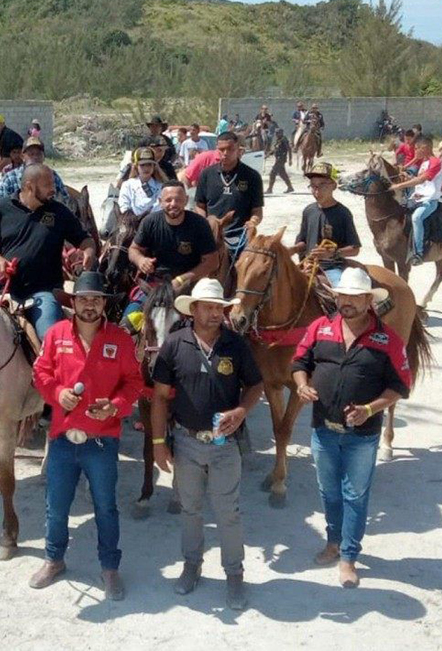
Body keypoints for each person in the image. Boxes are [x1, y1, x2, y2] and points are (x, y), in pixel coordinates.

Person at [292, 267, 411, 588]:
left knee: (355, 495)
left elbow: (400, 386)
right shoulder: (320, 328)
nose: (347, 302)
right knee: (328, 491)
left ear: (368, 301)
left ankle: (348, 557)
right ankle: (333, 541)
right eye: (342, 296)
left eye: (355, 297)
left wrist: (370, 408)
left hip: (363, 436)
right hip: (322, 429)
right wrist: (302, 384)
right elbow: (300, 361)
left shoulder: (388, 340)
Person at [151, 278, 264, 611]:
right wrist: (159, 442)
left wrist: (242, 410)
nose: (216, 313)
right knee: (190, 509)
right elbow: (158, 398)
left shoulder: (236, 345)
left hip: (225, 445)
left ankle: (234, 575)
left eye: (220, 307)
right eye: (210, 307)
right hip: (185, 442)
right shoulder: (173, 344)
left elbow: (256, 385)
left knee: (228, 513)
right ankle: (191, 566)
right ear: (194, 309)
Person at [30, 272, 144, 601]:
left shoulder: (120, 340)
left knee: (106, 507)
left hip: (101, 442)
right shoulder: (55, 335)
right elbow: (41, 373)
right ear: (73, 302)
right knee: (56, 506)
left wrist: (116, 406)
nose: (90, 305)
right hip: (64, 439)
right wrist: (57, 392)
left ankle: (109, 569)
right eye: (83, 299)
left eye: (96, 299)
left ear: (104, 303)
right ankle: (54, 560)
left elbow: (134, 383)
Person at [0, 164, 95, 341]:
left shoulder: (59, 212)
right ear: (30, 186)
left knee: (49, 337)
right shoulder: (1, 208)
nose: (53, 189)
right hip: (5, 289)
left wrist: (88, 251)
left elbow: (85, 239)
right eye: (48, 185)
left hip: (44, 291)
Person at [125, 182, 218, 321]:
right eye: (168, 200)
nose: (173, 204)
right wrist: (141, 260)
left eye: (178, 200)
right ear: (160, 201)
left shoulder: (199, 224)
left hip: (190, 286)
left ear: (186, 200)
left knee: (210, 323)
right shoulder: (150, 222)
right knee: (128, 321)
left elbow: (212, 261)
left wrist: (182, 279)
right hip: (155, 285)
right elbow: (133, 249)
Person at [194, 131, 263, 257]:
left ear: (238, 150)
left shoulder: (252, 176)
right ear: (217, 150)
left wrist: (253, 221)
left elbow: (257, 210)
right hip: (212, 233)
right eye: (222, 149)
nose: (225, 153)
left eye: (230, 149)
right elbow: (200, 205)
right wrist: (205, 223)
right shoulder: (206, 174)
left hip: (239, 236)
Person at [292, 163, 361, 286]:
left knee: (339, 294)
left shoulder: (343, 213)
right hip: (308, 266)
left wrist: (333, 253)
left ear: (333, 186)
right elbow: (303, 242)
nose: (316, 191)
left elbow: (355, 249)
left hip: (332, 268)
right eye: (313, 186)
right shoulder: (309, 211)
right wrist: (292, 250)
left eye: (322, 185)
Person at [388, 135, 442, 264]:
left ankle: (418, 252)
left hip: (430, 200)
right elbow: (419, 183)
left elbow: (421, 179)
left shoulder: (435, 162)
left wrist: (398, 186)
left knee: (416, 218)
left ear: (425, 148)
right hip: (417, 198)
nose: (415, 151)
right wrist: (406, 175)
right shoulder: (424, 163)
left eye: (417, 148)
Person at [0, 137, 71, 206]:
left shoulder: (52, 176)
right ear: (23, 156)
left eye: (38, 154)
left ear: (43, 157)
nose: (35, 157)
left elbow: (65, 201)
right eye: (31, 154)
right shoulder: (9, 179)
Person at [117, 147, 165, 216]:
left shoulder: (161, 186)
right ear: (136, 166)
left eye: (149, 164)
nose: (146, 168)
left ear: (154, 166)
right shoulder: (127, 185)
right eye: (142, 165)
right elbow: (124, 205)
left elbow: (160, 207)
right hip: (132, 223)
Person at [267, 127, 293, 195]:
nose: (276, 134)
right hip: (278, 159)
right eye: (276, 133)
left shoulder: (284, 140)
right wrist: (268, 154)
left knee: (272, 173)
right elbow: (275, 149)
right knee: (282, 174)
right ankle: (290, 187)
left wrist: (290, 159)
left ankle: (270, 189)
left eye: (277, 133)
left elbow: (289, 149)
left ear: (281, 133)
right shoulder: (278, 140)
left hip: (281, 159)